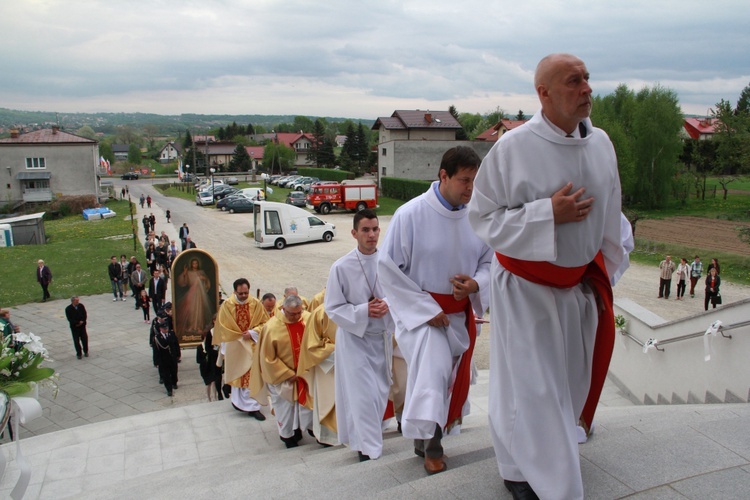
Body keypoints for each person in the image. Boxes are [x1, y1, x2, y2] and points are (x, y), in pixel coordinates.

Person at [467, 53, 626, 499]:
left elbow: (611, 214)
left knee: (568, 384)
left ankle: (540, 462)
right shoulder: (513, 148)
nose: (587, 89)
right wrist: (546, 215)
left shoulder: (602, 145)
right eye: (574, 81)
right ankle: (531, 477)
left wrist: (605, 272)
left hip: (576, 288)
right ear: (544, 93)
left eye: (587, 79)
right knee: (532, 390)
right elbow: (482, 219)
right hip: (527, 289)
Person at [379, 146, 492, 475]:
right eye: (464, 180)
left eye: (474, 181)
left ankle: (419, 436)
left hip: (459, 313)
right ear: (443, 176)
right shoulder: (410, 215)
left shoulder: (477, 217)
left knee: (448, 377)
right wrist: (427, 310)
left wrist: (475, 284)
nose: (470, 189)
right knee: (435, 372)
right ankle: (433, 447)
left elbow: (490, 262)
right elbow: (388, 269)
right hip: (421, 317)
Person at [325, 209, 394, 461]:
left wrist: (388, 304)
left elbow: (402, 294)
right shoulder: (341, 267)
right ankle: (371, 451)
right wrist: (365, 310)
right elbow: (332, 307)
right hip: (355, 340)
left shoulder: (389, 262)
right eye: (365, 230)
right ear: (354, 233)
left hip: (382, 338)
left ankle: (366, 442)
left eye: (375, 229)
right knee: (362, 395)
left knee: (378, 394)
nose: (372, 234)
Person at [251, 295, 313, 448]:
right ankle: (288, 437)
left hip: (306, 375)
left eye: (299, 312)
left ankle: (307, 429)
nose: (297, 316)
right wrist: (288, 374)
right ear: (284, 309)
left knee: (307, 406)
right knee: (286, 410)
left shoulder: (308, 319)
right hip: (285, 378)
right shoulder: (272, 327)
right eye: (292, 314)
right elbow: (267, 358)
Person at [212, 278, 269, 421]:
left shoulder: (255, 304)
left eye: (246, 292)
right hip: (236, 346)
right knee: (239, 375)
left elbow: (266, 323)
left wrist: (253, 332)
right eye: (241, 293)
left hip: (252, 346)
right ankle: (238, 403)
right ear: (234, 291)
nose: (244, 295)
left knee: (253, 376)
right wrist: (233, 338)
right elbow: (222, 326)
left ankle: (254, 407)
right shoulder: (227, 305)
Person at [297, 304, 338, 447]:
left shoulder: (354, 308)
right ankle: (328, 437)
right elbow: (312, 346)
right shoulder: (320, 313)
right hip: (327, 369)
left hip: (350, 366)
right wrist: (339, 351)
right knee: (328, 400)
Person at [176, 258, 213, 337]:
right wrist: (185, 273)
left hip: (200, 294)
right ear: (191, 264)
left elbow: (207, 283)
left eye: (196, 263)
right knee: (192, 310)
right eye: (193, 263)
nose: (195, 265)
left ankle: (199, 326)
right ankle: (191, 326)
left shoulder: (201, 272)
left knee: (199, 310)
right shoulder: (189, 272)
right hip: (192, 293)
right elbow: (184, 283)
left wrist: (204, 279)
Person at [153, 314, 180, 396]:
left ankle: (174, 382)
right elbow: (156, 351)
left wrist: (178, 354)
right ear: (161, 329)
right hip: (163, 359)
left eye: (167, 328)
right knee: (166, 375)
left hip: (172, 357)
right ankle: (169, 389)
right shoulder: (157, 338)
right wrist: (156, 361)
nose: (166, 330)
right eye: (164, 328)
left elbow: (176, 345)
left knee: (174, 371)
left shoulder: (171, 334)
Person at [197, 316, 223, 401]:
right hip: (214, 357)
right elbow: (208, 348)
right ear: (214, 321)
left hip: (224, 355)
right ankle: (218, 394)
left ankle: (223, 391)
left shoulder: (223, 330)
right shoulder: (211, 333)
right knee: (216, 377)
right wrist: (215, 352)